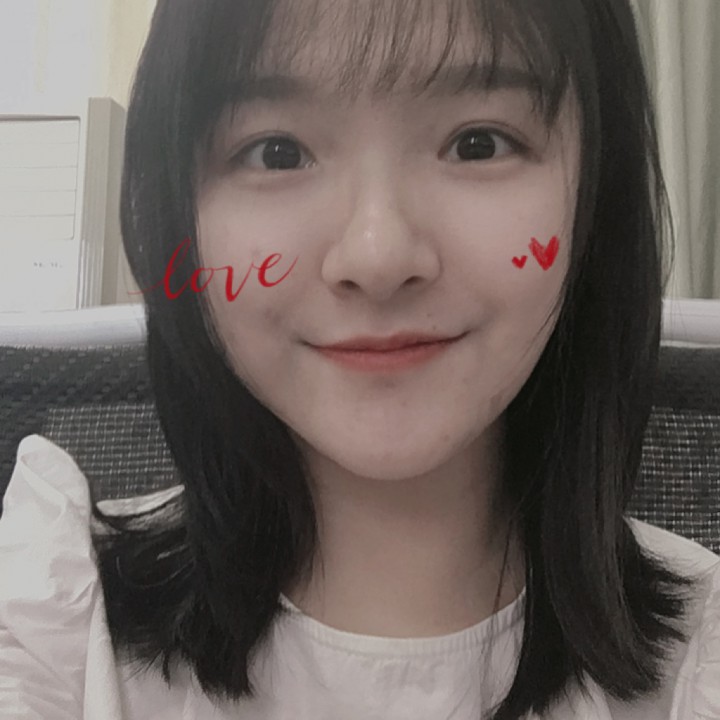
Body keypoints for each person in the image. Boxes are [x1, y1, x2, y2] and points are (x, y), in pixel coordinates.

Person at [1, 0, 719, 718]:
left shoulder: (700, 661)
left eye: (478, 144)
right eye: (276, 152)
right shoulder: (57, 629)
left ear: (598, 194)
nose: (377, 257)